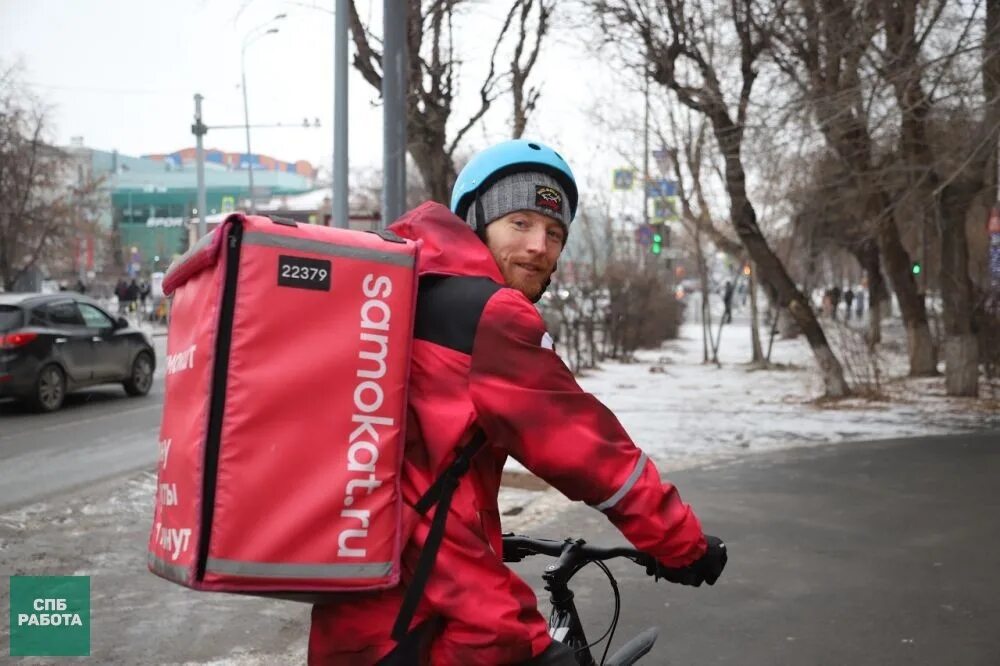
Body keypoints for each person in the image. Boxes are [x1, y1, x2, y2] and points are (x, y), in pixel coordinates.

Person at [308, 140, 727, 665]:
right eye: (520, 224)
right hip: (428, 606)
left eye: (555, 233)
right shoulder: (488, 315)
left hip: (365, 600)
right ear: (474, 223)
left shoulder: (407, 291)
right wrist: (682, 543)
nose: (540, 246)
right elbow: (588, 449)